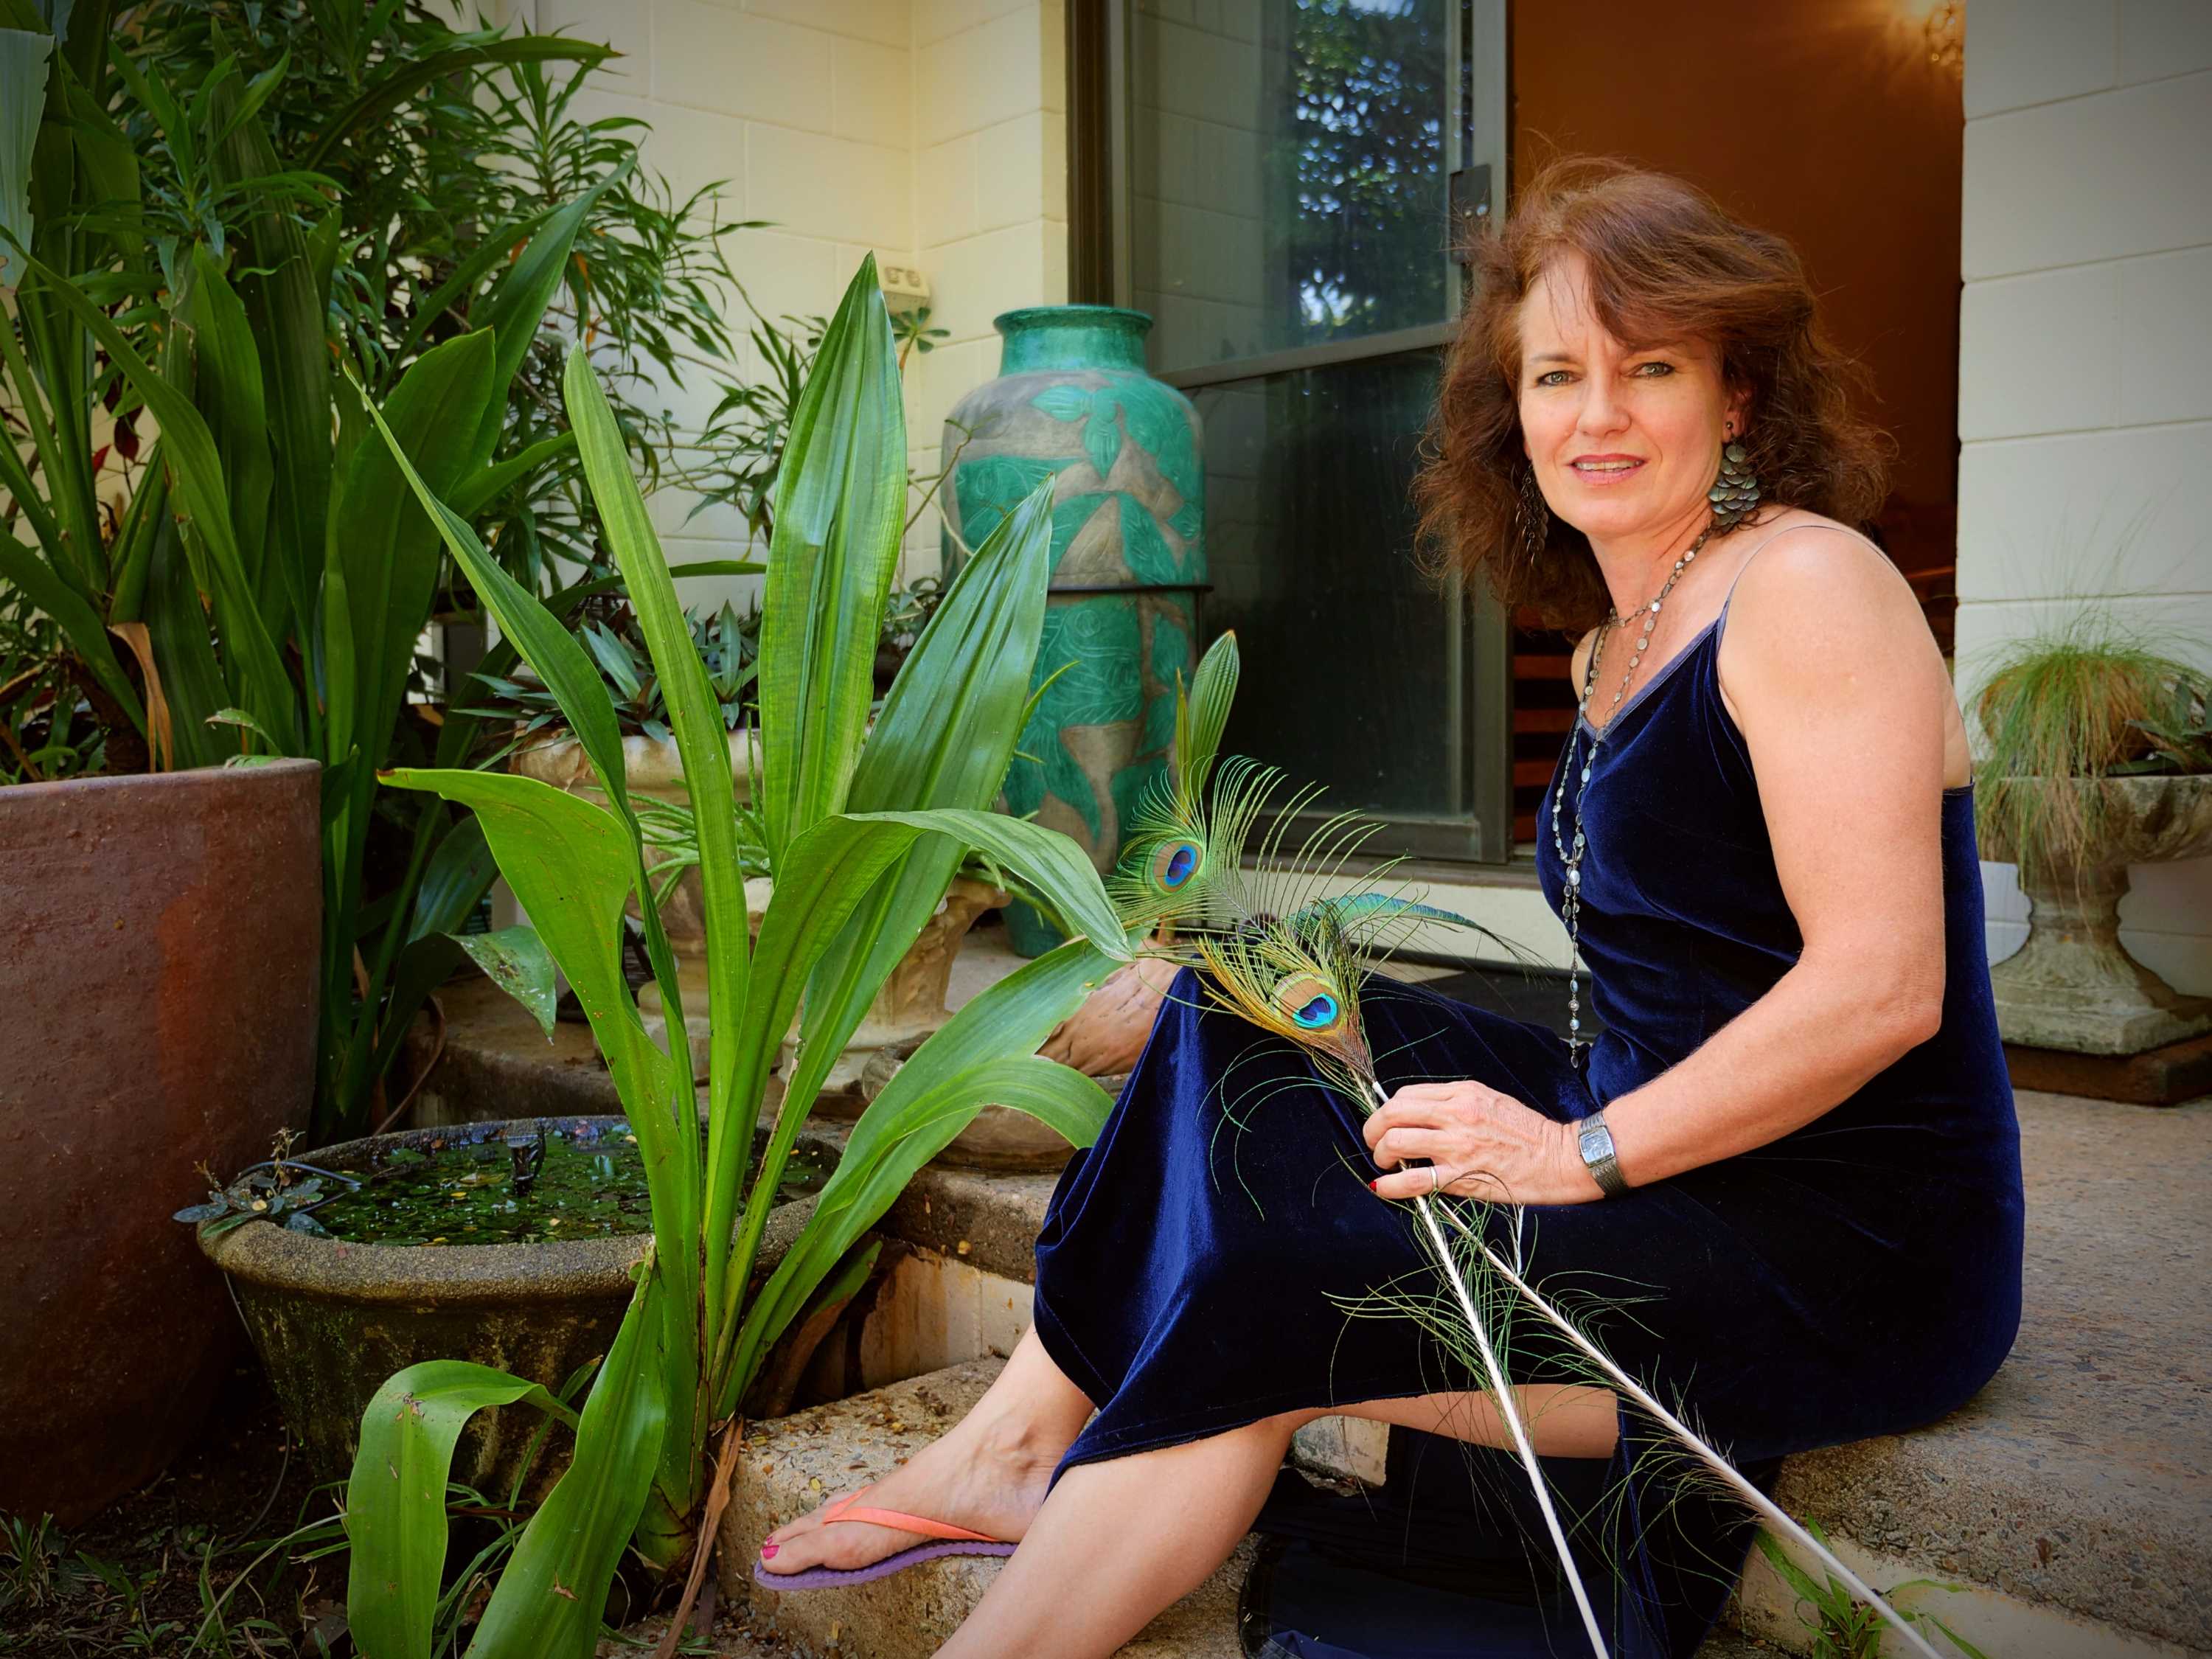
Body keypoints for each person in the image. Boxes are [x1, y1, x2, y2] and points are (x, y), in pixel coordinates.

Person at [754, 156, 2023, 1659]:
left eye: (1652, 368)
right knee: (1232, 1005)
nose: (1597, 415)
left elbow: (1886, 986)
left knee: (1273, 1281)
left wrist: (1576, 1154)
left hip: (1843, 1238)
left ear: (1737, 398)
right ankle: (1021, 1440)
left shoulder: (1808, 586)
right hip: (1673, 1123)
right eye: (1558, 374)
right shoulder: (1627, 636)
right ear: (1514, 411)